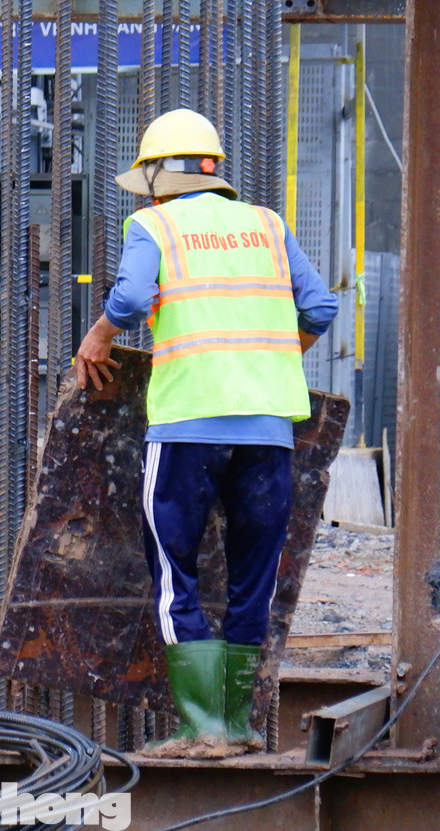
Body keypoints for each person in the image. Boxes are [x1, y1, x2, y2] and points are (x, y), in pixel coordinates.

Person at [75, 109, 338, 756]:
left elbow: (133, 300)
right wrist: (266, 356)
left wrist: (99, 336)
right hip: (269, 431)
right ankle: (240, 723)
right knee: (254, 577)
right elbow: (322, 307)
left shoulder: (153, 223)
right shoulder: (266, 226)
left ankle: (201, 727)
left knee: (175, 571)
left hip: (187, 424)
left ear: (161, 173)